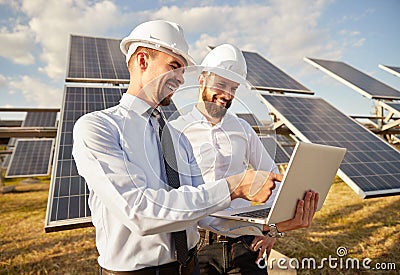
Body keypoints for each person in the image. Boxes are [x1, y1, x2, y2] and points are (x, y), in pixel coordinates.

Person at [72, 21, 280, 275]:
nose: (181, 79)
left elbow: (199, 203)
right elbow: (140, 211)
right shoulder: (98, 128)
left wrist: (273, 225)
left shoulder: (174, 136)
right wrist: (234, 186)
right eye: (174, 67)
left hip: (189, 266)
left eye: (182, 71)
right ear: (142, 60)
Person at [170, 44, 319, 274]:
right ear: (201, 80)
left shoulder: (243, 128)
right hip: (197, 246)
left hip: (246, 244)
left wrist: (272, 233)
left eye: (233, 88)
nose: (227, 95)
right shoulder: (176, 130)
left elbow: (275, 180)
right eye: (220, 84)